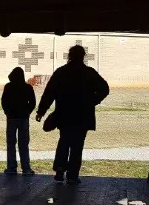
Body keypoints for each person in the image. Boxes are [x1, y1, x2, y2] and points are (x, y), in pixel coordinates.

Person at [35, 45, 109, 184]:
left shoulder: (61, 72)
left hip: (64, 115)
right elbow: (104, 89)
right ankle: (72, 175)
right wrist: (92, 101)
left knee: (64, 141)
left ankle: (59, 171)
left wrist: (41, 111)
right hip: (82, 115)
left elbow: (49, 93)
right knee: (77, 145)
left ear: (69, 56)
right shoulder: (89, 73)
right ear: (83, 56)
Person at [1, 67, 36, 175]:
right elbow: (33, 103)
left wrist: (7, 112)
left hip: (11, 118)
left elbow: (4, 101)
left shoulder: (8, 87)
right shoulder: (28, 87)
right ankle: (26, 168)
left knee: (11, 143)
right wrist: (27, 112)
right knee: (23, 144)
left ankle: (11, 168)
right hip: (23, 118)